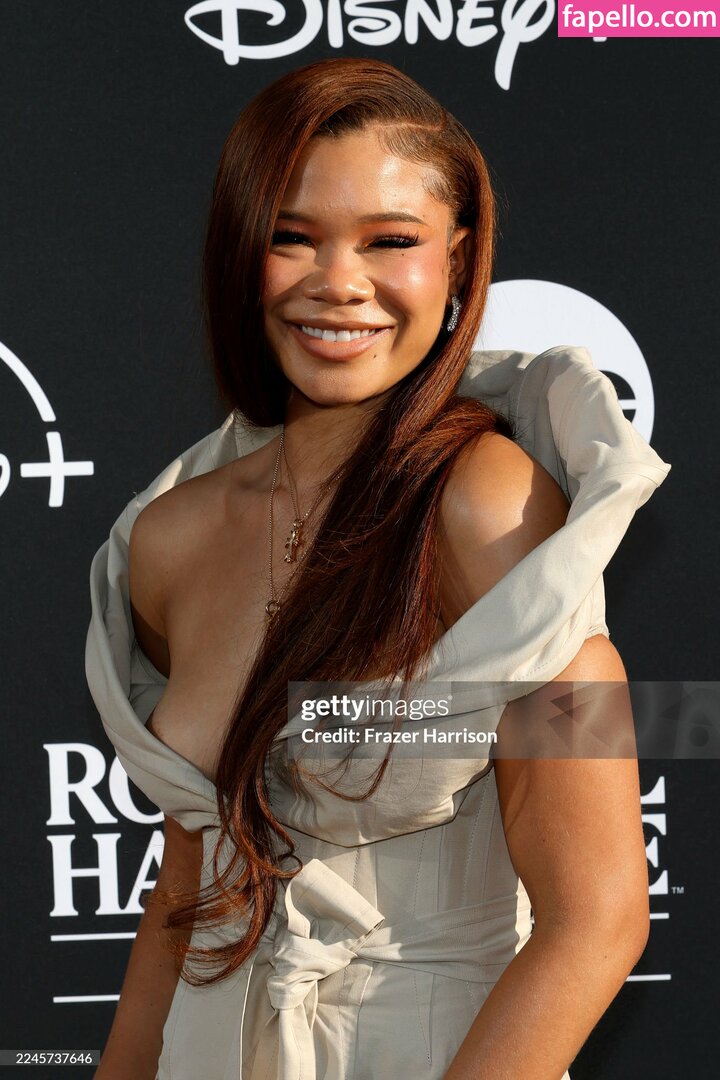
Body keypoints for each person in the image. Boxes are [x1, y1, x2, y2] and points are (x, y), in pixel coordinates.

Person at [85, 57, 671, 1080]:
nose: (338, 282)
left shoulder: (495, 507)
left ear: (457, 261)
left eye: (389, 241)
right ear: (240, 254)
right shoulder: (170, 538)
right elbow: (188, 887)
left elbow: (599, 917)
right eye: (291, 237)